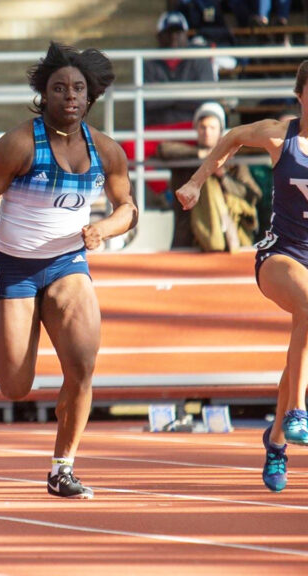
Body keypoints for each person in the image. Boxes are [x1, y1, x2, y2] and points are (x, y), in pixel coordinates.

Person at [0, 42, 137, 499]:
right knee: (15, 386)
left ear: (91, 95)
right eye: (59, 88)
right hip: (12, 266)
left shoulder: (107, 152)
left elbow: (127, 208)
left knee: (82, 365)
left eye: (78, 88)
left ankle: (63, 466)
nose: (70, 96)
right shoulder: (21, 143)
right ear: (44, 94)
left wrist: (105, 229)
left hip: (67, 263)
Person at [175, 60, 308, 493]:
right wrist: (196, 182)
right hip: (280, 255)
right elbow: (231, 136)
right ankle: (297, 411)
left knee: (304, 329)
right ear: (300, 95)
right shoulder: (279, 135)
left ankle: (275, 441)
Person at [157, 102, 261, 250]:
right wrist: (204, 157)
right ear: (196, 130)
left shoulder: (232, 162)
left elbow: (252, 194)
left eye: (212, 128)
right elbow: (163, 149)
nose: (207, 132)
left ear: (220, 131)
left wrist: (223, 176)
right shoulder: (186, 158)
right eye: (203, 127)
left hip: (229, 238)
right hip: (188, 237)